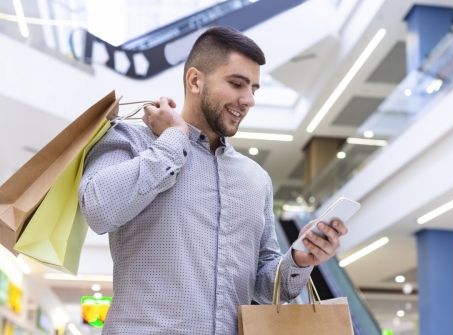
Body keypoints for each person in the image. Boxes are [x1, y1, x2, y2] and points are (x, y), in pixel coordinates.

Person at [78, 26, 348, 335]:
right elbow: (98, 210)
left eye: (254, 89)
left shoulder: (255, 179)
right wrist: (174, 139)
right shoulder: (132, 139)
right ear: (195, 80)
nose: (248, 100)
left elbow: (263, 287)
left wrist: (300, 259)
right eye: (237, 84)